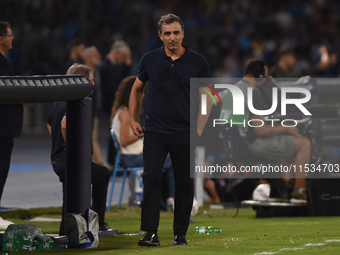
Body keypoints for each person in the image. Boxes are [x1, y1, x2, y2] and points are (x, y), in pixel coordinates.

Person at [129, 13, 210, 246]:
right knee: (152, 178)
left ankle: (180, 234)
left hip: (185, 132)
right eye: (167, 33)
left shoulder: (198, 62)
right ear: (160, 36)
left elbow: (209, 98)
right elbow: (136, 90)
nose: (172, 37)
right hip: (154, 131)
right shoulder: (149, 59)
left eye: (176, 32)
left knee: (185, 183)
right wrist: (134, 119)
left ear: (183, 34)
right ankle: (150, 233)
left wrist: (201, 127)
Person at [219, 59, 310, 202]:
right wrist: (286, 127)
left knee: (279, 150)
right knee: (304, 143)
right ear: (261, 76)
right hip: (249, 145)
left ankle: (279, 190)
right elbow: (260, 130)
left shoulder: (232, 90)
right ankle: (299, 194)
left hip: (234, 146)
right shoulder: (253, 92)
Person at [47, 63, 112, 235]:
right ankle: (98, 223)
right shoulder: (76, 101)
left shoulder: (59, 100)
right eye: (91, 79)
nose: (93, 83)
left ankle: (66, 232)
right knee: (103, 175)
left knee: (68, 197)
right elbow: (64, 125)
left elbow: (49, 124)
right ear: (82, 81)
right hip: (71, 160)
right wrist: (72, 149)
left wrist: (58, 144)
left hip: (58, 159)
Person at [110, 76, 175, 210]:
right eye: (141, 91)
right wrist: (145, 133)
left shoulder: (125, 112)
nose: (144, 95)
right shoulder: (124, 113)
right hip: (131, 158)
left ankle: (167, 198)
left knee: (167, 158)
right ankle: (172, 198)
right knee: (173, 160)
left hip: (135, 155)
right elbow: (124, 141)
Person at [98, 40, 132, 166]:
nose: (123, 60)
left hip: (115, 105)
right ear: (117, 52)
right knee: (115, 133)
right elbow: (114, 88)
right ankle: (113, 162)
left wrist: (126, 67)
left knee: (117, 133)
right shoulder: (106, 66)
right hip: (111, 105)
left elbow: (122, 82)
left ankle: (116, 161)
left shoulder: (113, 66)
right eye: (123, 57)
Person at [0, 21, 20, 227]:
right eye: (10, 35)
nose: (13, 38)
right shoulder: (1, 63)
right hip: (2, 129)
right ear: (1, 39)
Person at [83, 46, 103, 165]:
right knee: (90, 138)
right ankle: (99, 164)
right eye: (96, 55)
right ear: (88, 58)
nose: (99, 57)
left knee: (92, 137)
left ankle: (99, 163)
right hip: (86, 112)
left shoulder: (97, 72)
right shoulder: (83, 73)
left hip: (93, 112)